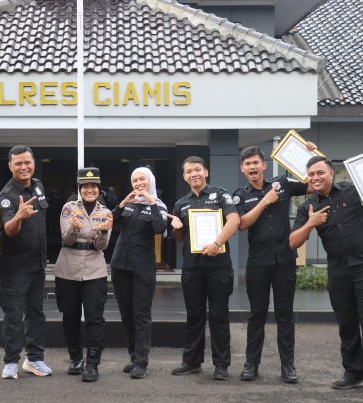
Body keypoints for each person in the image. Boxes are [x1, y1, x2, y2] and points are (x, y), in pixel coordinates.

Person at [290, 155, 363, 400]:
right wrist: (310, 223)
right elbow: (293, 242)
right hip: (338, 269)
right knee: (347, 324)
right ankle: (353, 373)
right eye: (311, 174)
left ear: (331, 173)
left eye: (320, 172)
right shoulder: (308, 206)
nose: (315, 177)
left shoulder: (354, 190)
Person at [232, 144, 315, 383]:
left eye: (255, 163)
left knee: (285, 314)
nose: (252, 167)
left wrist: (310, 154)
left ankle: (288, 366)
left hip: (284, 260)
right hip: (258, 262)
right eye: (247, 164)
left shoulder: (283, 184)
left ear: (264, 165)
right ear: (242, 168)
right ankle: (251, 365)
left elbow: (313, 184)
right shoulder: (240, 195)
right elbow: (242, 224)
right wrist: (265, 201)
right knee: (257, 314)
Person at [168, 156, 240, 380]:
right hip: (192, 267)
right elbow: (179, 238)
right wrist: (176, 227)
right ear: (184, 176)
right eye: (189, 172)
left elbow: (234, 221)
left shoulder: (221, 195)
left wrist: (217, 244)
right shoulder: (181, 203)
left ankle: (221, 365)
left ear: (206, 171)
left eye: (197, 170)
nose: (193, 174)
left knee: (219, 315)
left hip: (218, 266)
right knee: (194, 315)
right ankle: (192, 361)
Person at [0, 145, 52, 379]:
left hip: (36, 265)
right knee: (13, 317)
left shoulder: (38, 185)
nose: (23, 167)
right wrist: (18, 216)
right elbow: (9, 230)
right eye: (18, 163)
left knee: (36, 314)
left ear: (34, 163)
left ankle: (34, 359)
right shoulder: (6, 195)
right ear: (10, 165)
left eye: (27, 162)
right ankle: (11, 362)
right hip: (14, 269)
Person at [54, 167, 113, 382]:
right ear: (79, 189)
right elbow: (66, 239)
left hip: (95, 269)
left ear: (99, 189)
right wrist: (73, 228)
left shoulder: (105, 213)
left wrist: (103, 231)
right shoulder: (69, 208)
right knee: (70, 317)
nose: (89, 190)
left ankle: (92, 363)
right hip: (68, 268)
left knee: (94, 318)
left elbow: (101, 246)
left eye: (93, 186)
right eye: (85, 186)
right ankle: (76, 358)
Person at [111, 167, 168, 379]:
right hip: (120, 266)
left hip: (142, 268)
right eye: (135, 180)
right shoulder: (129, 204)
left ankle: (142, 363)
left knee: (141, 315)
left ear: (150, 180)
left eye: (142, 179)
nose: (138, 183)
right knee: (126, 314)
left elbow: (159, 228)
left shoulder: (159, 205)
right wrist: (122, 204)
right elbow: (109, 223)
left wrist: (151, 203)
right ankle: (134, 356)